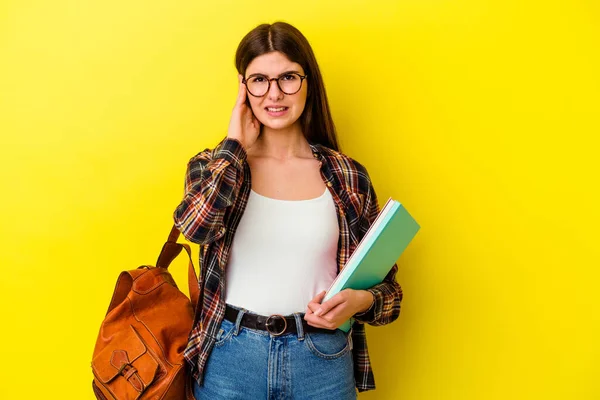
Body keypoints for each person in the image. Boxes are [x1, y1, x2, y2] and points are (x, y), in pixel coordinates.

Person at [173, 21, 402, 400]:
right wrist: (234, 146)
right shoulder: (215, 165)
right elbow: (195, 227)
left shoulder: (347, 176)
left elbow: (391, 294)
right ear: (243, 88)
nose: (274, 93)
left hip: (322, 360)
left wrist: (361, 301)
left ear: (308, 82)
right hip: (230, 357)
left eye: (288, 78)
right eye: (259, 80)